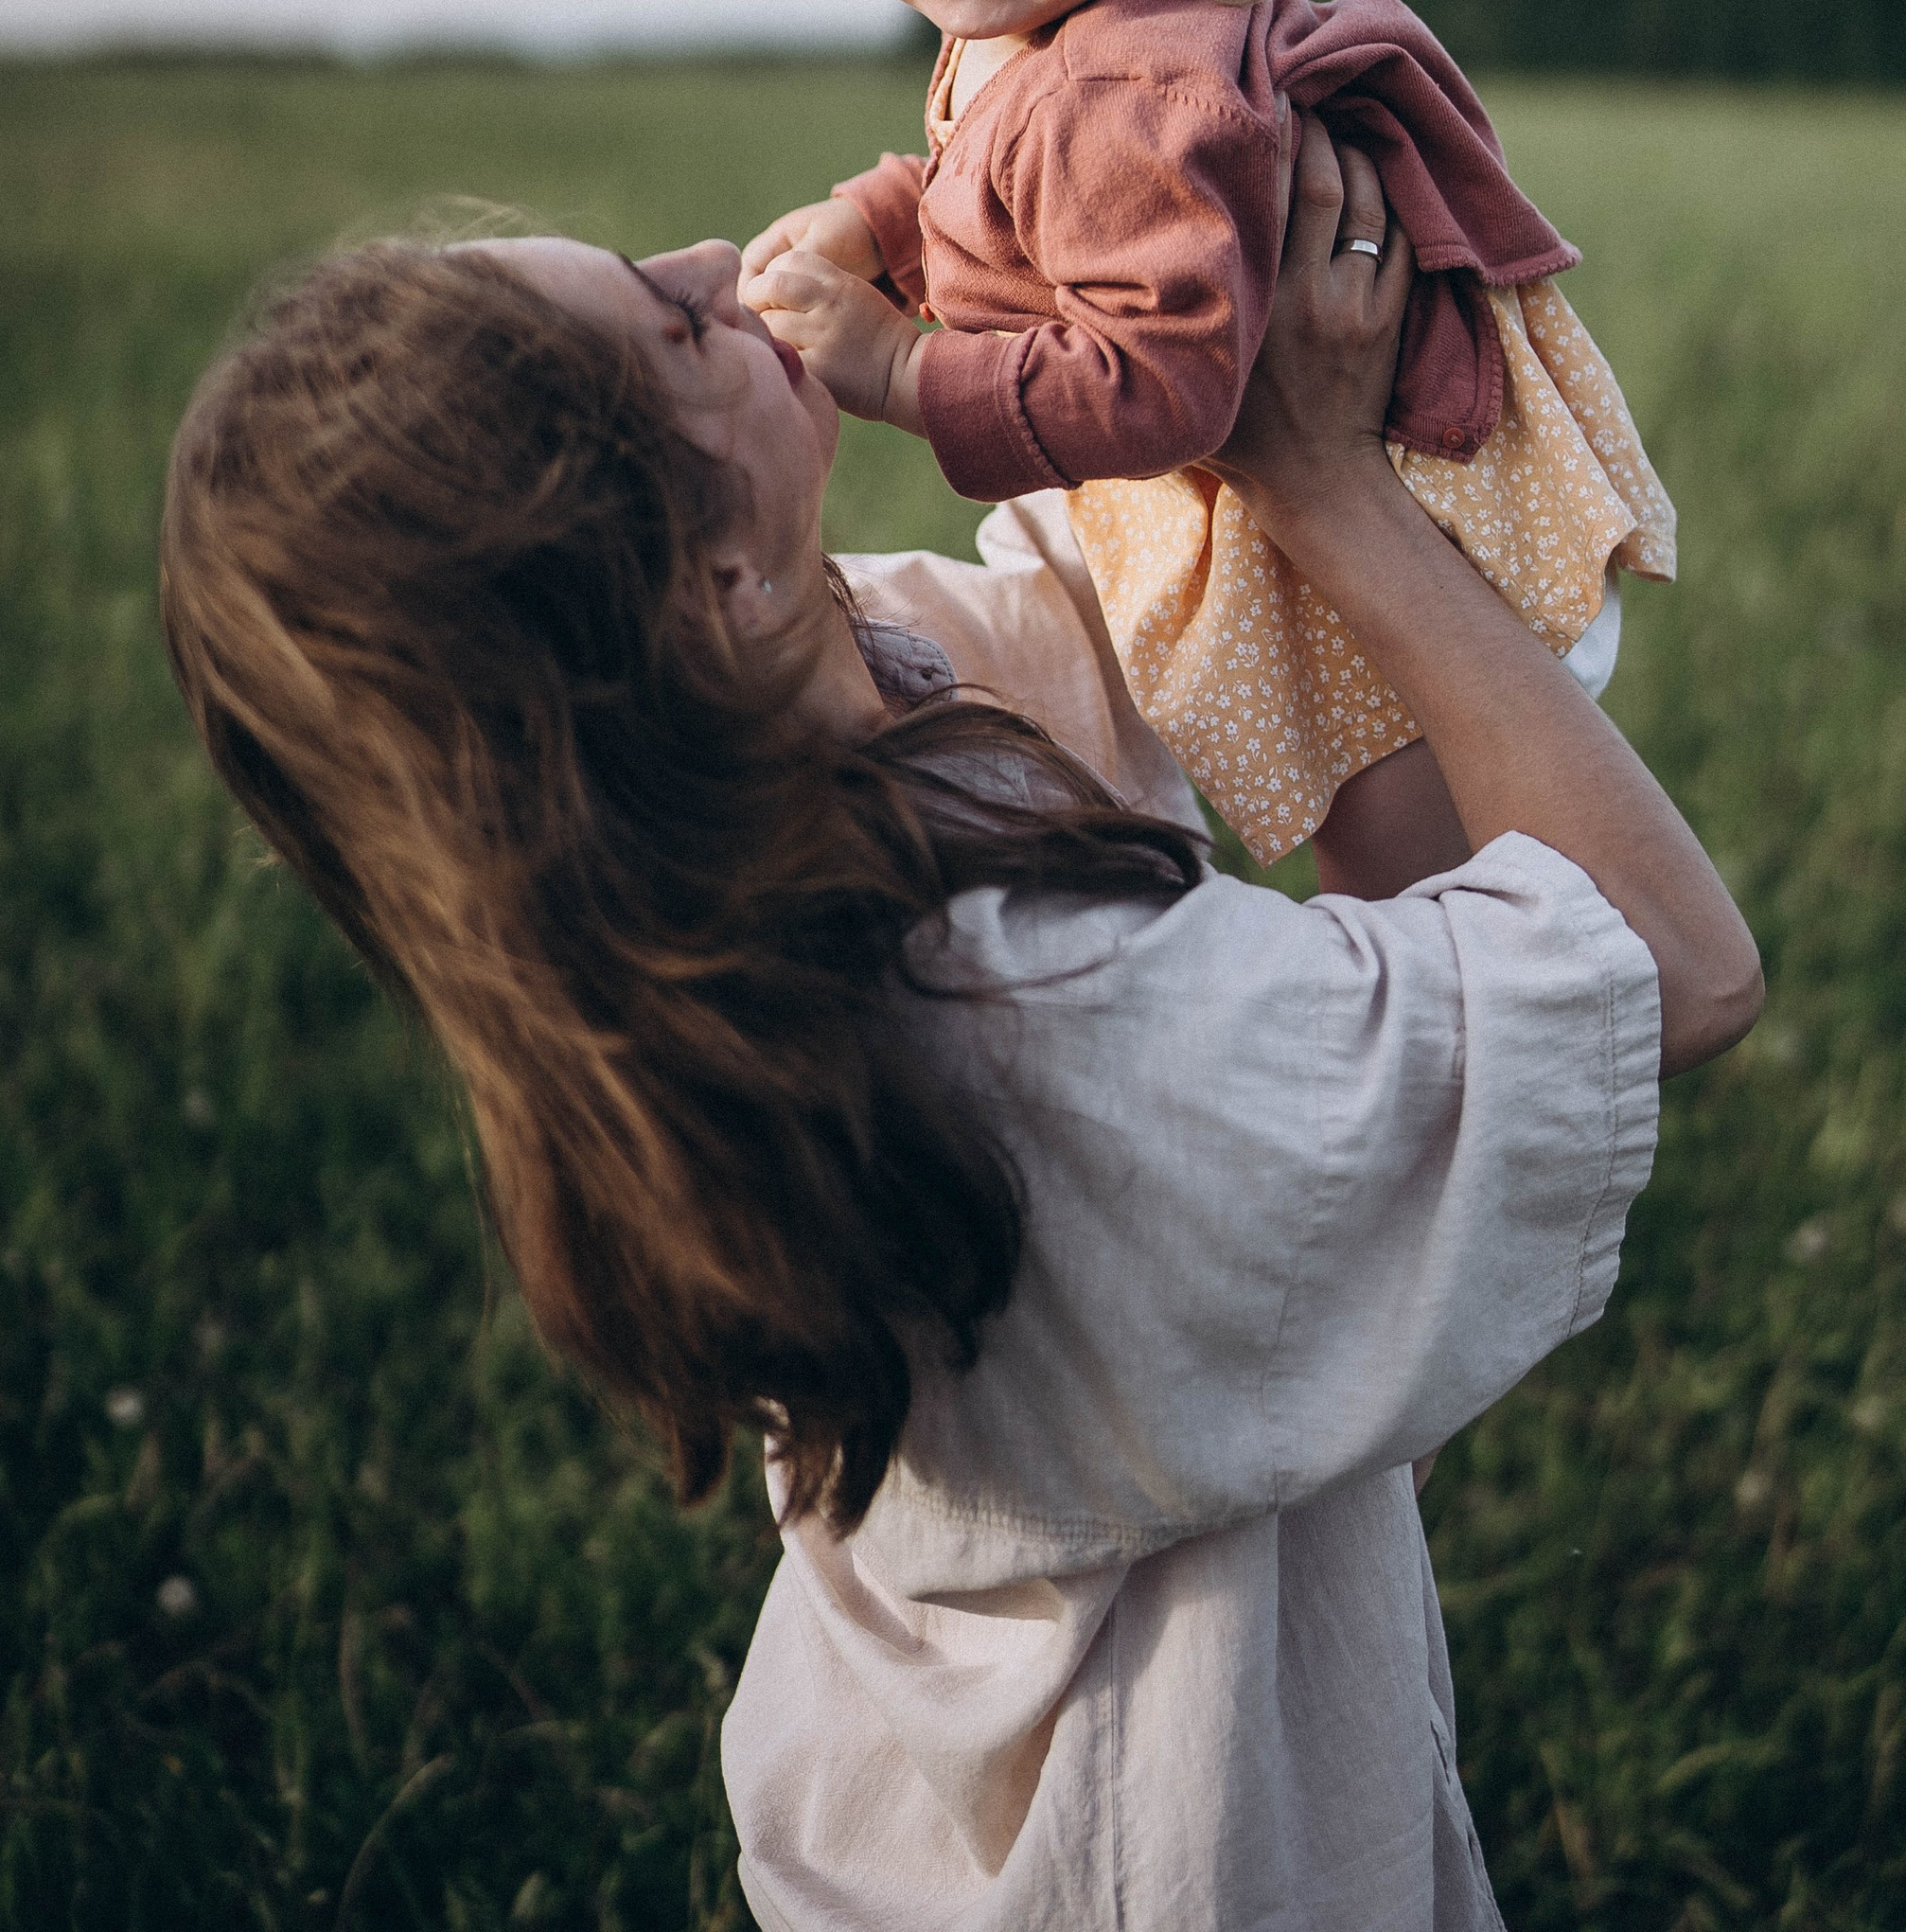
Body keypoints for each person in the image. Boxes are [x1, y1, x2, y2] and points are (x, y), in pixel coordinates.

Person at [161, 127, 1760, 1931]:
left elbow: (1116, 604)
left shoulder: (795, 782)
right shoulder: (1045, 1029)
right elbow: (1673, 962)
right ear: (716, 594)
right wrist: (1328, 484)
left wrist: (1077, 239)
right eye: (671, 327)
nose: (711, 257)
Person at [740, 0, 1678, 893]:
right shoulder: (1044, 14)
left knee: (1434, 905)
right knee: (1397, 881)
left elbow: (1162, 381)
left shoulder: (1133, 91)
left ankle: (1483, 1065)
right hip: (1297, 521)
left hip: (1383, 549)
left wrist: (898, 365)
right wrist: (878, 221)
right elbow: (988, 175)